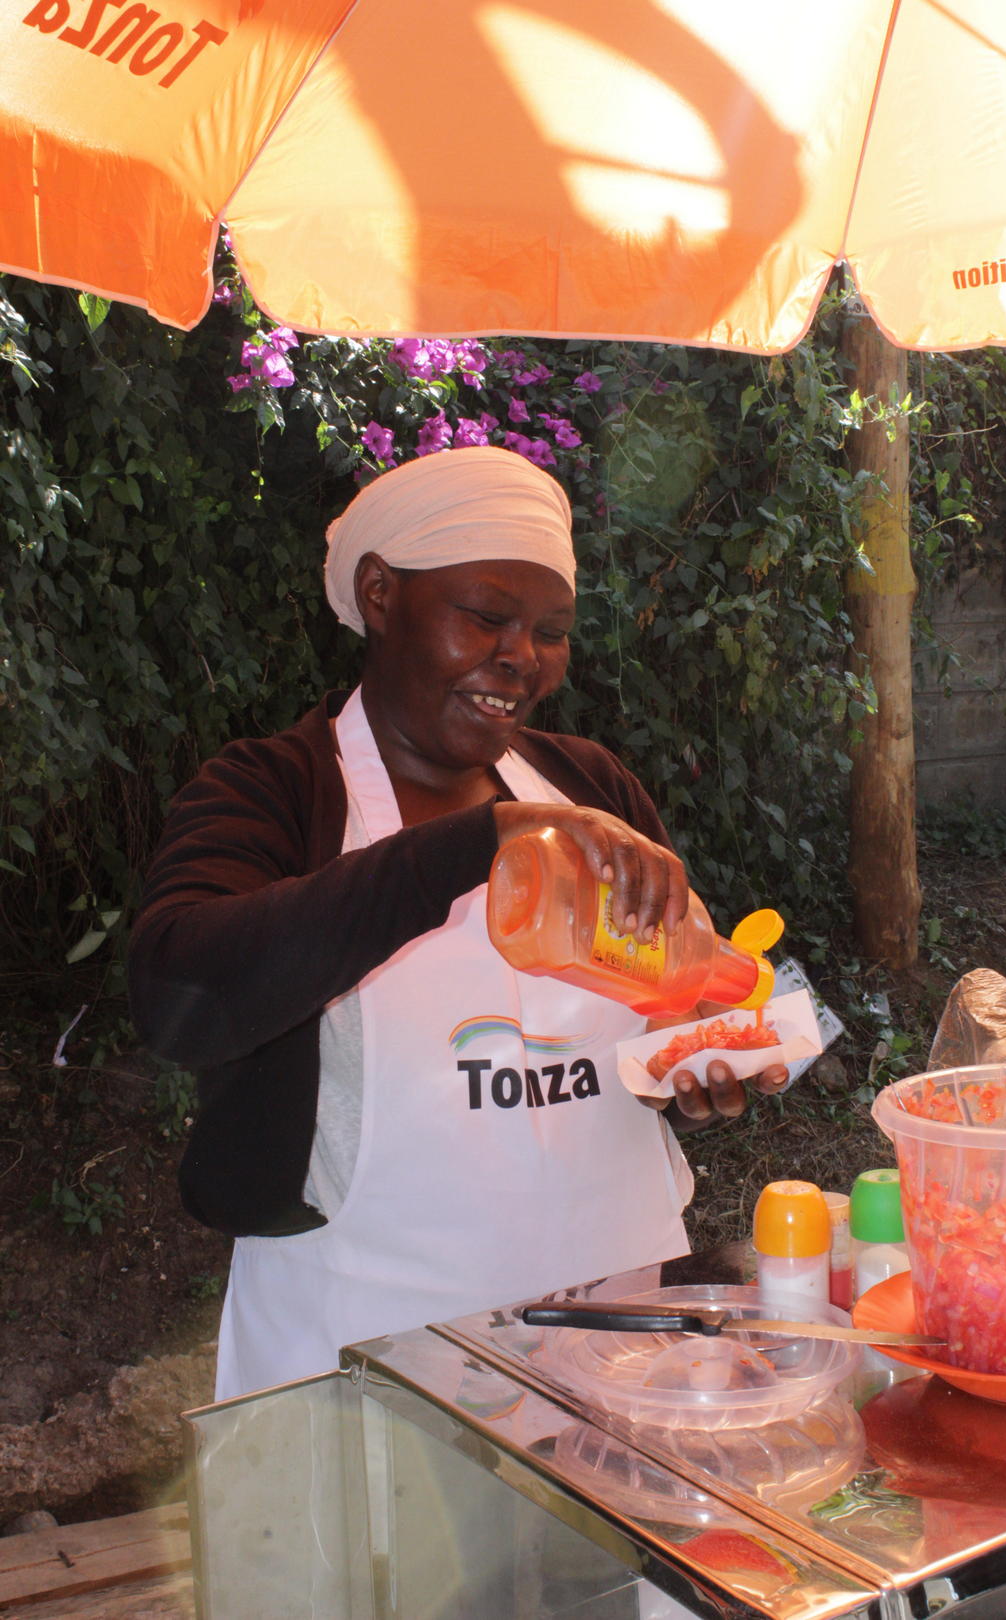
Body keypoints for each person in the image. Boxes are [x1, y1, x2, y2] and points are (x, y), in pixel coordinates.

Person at [128, 445, 787, 1401]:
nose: (521, 659)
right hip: (363, 1339)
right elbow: (180, 997)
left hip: (601, 1329)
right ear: (382, 593)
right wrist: (468, 845)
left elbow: (666, 1010)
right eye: (485, 618)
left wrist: (690, 1069)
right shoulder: (274, 792)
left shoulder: (588, 786)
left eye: (551, 631)